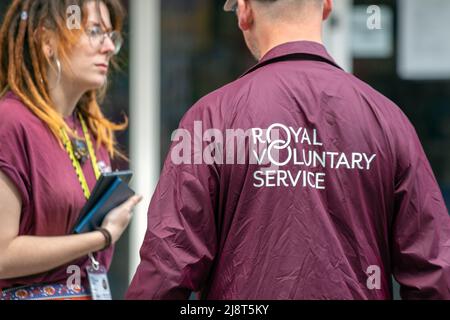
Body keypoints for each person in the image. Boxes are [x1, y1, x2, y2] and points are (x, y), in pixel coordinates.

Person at [126, 0, 450, 300]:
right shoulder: (387, 120)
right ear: (326, 5)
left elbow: (167, 269)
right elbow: (434, 273)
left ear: (244, 11)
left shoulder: (211, 119)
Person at [0, 0, 141, 300]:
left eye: (111, 36)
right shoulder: (10, 122)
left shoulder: (92, 132)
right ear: (47, 40)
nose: (109, 47)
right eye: (94, 32)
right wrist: (101, 237)